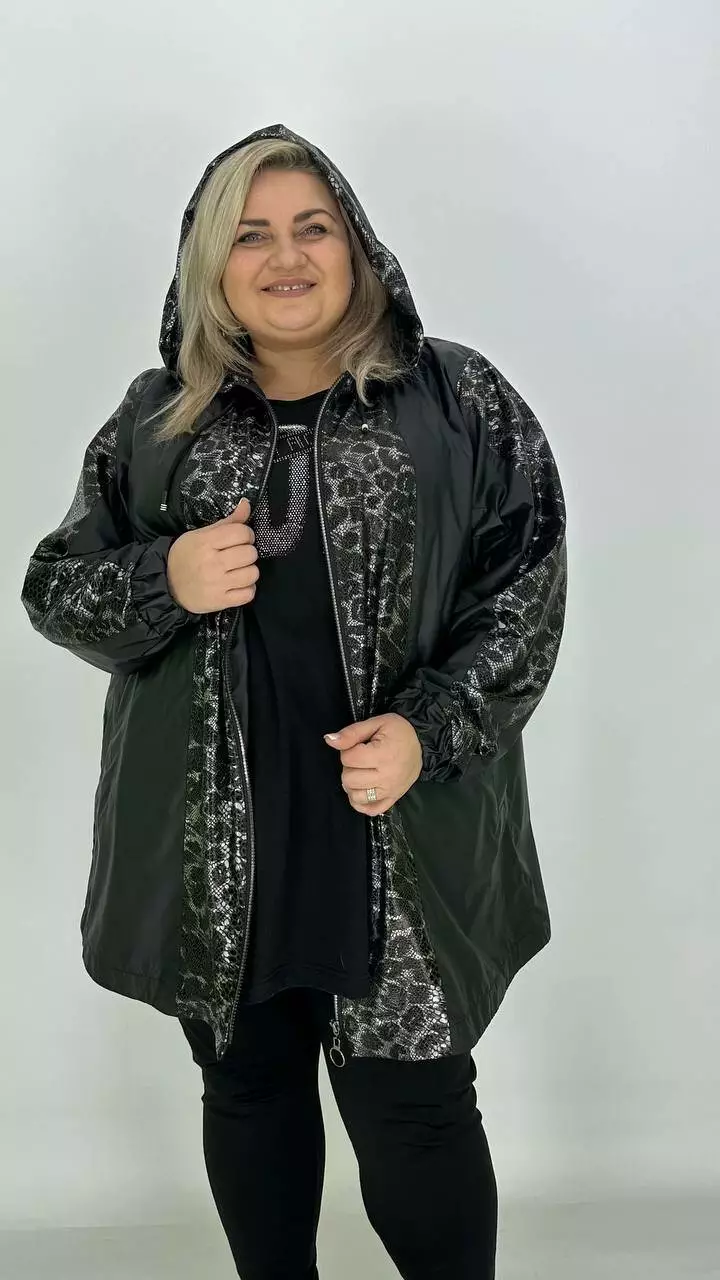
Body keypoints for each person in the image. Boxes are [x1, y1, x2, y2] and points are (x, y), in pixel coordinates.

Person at [20, 122, 567, 1280]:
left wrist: (427, 728)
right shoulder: (157, 420)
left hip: (396, 829)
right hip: (218, 844)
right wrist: (163, 578)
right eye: (250, 234)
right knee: (249, 1086)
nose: (285, 257)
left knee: (416, 1110)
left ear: (355, 244)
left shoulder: (459, 401)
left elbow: (524, 588)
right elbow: (54, 586)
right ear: (209, 261)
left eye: (311, 227)